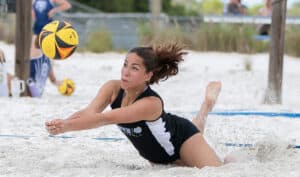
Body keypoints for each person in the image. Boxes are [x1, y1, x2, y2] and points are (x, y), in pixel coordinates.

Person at [45, 42, 224, 168]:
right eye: (125, 65)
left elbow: (104, 119)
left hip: (181, 141)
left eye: (134, 68)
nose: (126, 72)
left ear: (148, 75)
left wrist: (66, 127)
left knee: (222, 168)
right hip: (161, 154)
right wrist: (64, 122)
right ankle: (205, 108)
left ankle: (206, 105)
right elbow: (89, 113)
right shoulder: (112, 88)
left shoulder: (150, 103)